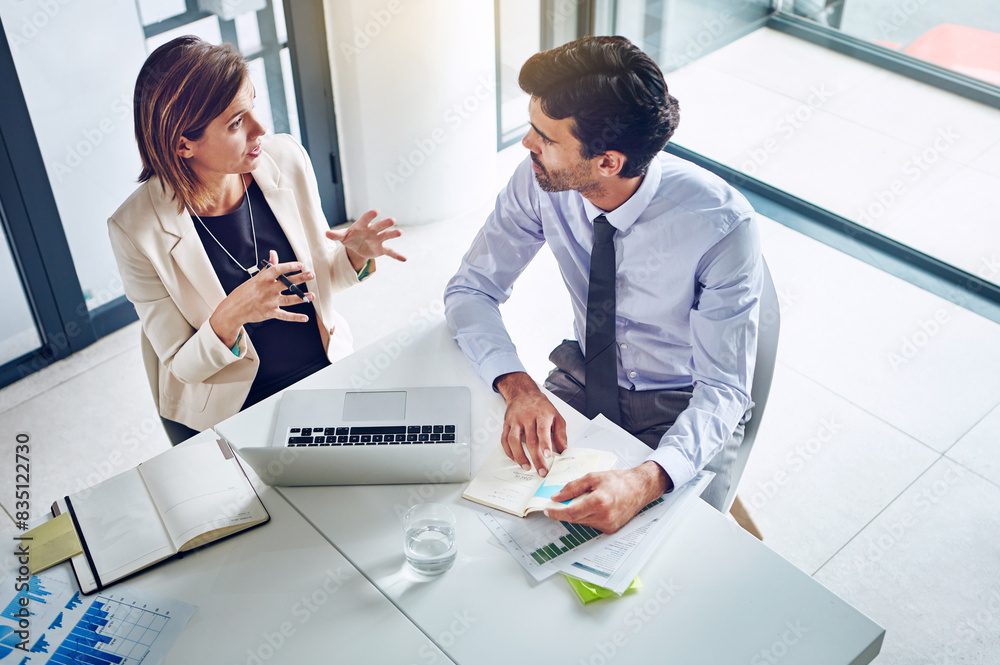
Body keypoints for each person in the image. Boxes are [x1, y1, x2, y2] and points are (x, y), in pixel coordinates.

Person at [444, 36, 762, 534]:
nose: (527, 145)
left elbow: (723, 389)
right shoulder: (539, 180)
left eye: (545, 138)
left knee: (667, 554)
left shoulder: (720, 226)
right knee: (500, 519)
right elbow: (471, 290)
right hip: (585, 373)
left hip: (682, 400)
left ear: (608, 162)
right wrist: (518, 385)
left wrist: (646, 480)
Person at [110, 36, 404, 443]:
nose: (260, 129)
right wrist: (232, 315)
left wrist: (353, 256)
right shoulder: (135, 229)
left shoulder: (285, 159)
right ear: (183, 144)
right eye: (236, 123)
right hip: (233, 407)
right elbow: (181, 365)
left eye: (252, 106)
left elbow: (322, 280)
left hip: (322, 368)